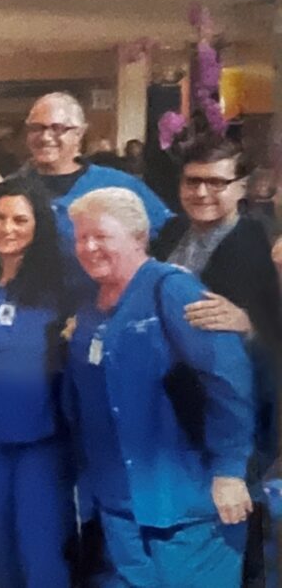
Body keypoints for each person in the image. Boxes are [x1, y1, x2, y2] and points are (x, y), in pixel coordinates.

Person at [64, 187, 254, 587]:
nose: (89, 247)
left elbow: (229, 379)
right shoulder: (87, 305)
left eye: (101, 236)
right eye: (81, 237)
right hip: (118, 506)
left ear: (137, 237)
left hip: (187, 504)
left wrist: (230, 470)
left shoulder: (171, 289)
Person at [150, 139, 281, 586]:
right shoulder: (169, 234)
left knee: (235, 533)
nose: (202, 192)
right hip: (176, 410)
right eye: (193, 181)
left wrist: (251, 324)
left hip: (241, 416)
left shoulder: (264, 244)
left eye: (216, 182)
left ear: (242, 186)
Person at [0, 179, 74, 588]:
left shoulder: (63, 283)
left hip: (42, 435)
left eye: (20, 219)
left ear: (38, 225)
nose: (8, 228)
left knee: (40, 549)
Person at [16, 92, 172, 296]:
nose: (45, 137)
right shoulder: (11, 189)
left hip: (104, 309)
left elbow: (169, 236)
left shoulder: (118, 185)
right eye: (37, 128)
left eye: (58, 128)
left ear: (79, 134)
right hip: (31, 310)